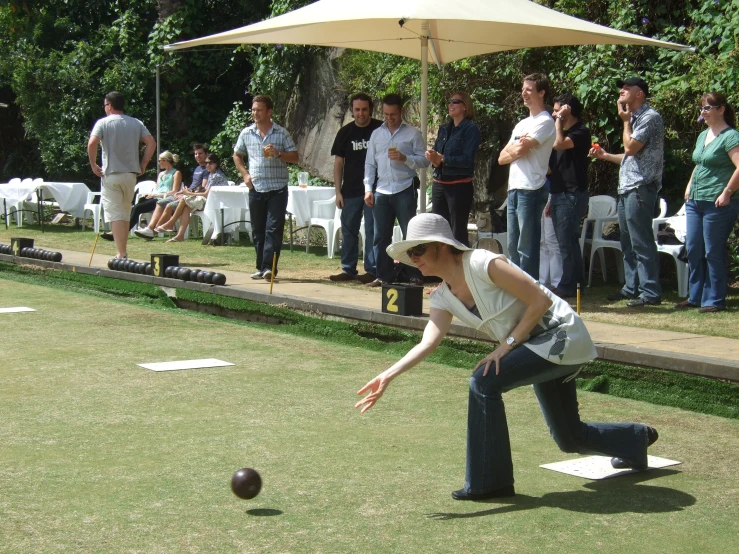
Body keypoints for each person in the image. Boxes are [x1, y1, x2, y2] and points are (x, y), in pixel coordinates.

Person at [356, 213, 659, 500]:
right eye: (410, 253)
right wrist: (387, 376)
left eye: (419, 248)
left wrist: (509, 343)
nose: (415, 258)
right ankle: (634, 439)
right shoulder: (442, 296)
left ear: (441, 246)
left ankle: (490, 483)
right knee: (569, 439)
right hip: (535, 347)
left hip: (561, 336)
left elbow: (539, 299)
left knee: (483, 382)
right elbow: (427, 343)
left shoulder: (483, 263)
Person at [590, 77, 664, 307]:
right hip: (628, 188)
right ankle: (632, 287)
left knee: (641, 241)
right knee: (628, 242)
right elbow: (630, 157)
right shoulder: (637, 119)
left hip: (640, 188)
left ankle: (650, 292)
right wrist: (605, 156)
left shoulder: (649, 117)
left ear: (639, 93)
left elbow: (630, 147)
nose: (621, 91)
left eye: (627, 88)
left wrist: (625, 122)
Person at [676, 92, 739, 313]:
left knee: (713, 251)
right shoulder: (703, 135)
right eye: (702, 108)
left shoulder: (731, 136)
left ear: (721, 109)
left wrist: (727, 192)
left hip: (718, 202)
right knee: (693, 248)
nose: (703, 112)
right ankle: (695, 296)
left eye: (707, 108)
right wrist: (689, 185)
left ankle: (714, 299)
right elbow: (700, 162)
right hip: (695, 200)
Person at [363, 93, 430, 287]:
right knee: (380, 235)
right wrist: (368, 188)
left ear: (401, 111)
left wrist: (405, 158)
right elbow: (369, 164)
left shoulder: (412, 134)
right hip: (382, 189)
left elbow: (424, 160)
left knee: (410, 234)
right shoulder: (376, 134)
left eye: (393, 114)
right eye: (386, 114)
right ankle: (383, 275)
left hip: (404, 187)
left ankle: (415, 274)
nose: (389, 118)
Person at [233, 95, 299, 281]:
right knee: (258, 230)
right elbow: (237, 155)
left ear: (269, 112)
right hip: (256, 188)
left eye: (259, 110)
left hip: (277, 188)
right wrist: (245, 175)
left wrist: (278, 154)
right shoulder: (247, 133)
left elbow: (295, 157)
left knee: (273, 229)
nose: (255, 113)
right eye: (253, 109)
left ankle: (269, 267)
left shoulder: (281, 132)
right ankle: (261, 267)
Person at [498, 73, 556, 280]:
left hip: (531, 189)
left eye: (529, 90)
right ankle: (517, 291)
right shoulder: (521, 125)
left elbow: (519, 151)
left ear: (542, 93)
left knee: (527, 247)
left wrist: (518, 148)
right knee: (513, 247)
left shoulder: (546, 121)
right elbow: (501, 158)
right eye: (523, 89)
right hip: (514, 189)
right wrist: (518, 146)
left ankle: (531, 292)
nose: (524, 93)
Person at [87, 91, 156, 259]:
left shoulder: (103, 123)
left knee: (115, 215)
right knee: (125, 213)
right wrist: (143, 164)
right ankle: (123, 251)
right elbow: (151, 142)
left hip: (112, 173)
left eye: (105, 105)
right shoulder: (136, 122)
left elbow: (92, 143)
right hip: (130, 175)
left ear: (109, 106)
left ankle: (121, 253)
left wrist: (93, 164)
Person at [329, 93, 382, 283]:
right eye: (357, 109)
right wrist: (337, 191)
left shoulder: (379, 129)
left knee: (372, 229)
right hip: (350, 190)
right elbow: (338, 164)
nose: (361, 113)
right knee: (349, 229)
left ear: (370, 109)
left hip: (374, 190)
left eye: (364, 109)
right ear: (352, 110)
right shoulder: (345, 133)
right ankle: (348, 269)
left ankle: (372, 269)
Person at [548, 93, 591, 298]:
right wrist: (551, 199)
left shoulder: (580, 132)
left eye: (557, 110)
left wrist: (559, 121)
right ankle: (574, 283)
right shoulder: (565, 133)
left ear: (568, 110)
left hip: (572, 194)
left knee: (567, 241)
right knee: (565, 241)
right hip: (559, 194)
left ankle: (569, 285)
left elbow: (559, 143)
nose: (554, 114)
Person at [425, 91, 481, 246]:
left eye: (455, 101)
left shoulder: (471, 129)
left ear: (465, 106)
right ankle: (441, 268)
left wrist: (442, 158)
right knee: (439, 230)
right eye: (449, 101)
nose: (451, 104)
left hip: (459, 187)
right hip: (439, 184)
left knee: (457, 232)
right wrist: (433, 158)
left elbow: (467, 160)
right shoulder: (444, 129)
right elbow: (438, 158)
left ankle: (459, 267)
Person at [134, 144, 209, 240]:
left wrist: (186, 193)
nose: (197, 156)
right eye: (196, 154)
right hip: (188, 195)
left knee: (165, 204)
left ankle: (153, 230)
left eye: (200, 153)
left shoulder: (207, 169)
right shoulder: (197, 168)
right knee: (160, 203)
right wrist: (183, 192)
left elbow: (202, 188)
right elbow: (193, 187)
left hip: (196, 197)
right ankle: (152, 229)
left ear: (206, 154)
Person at [155, 153, 228, 242]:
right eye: (206, 163)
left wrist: (189, 193)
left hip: (214, 204)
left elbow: (206, 195)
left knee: (183, 199)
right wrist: (191, 192)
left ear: (216, 163)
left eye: (210, 163)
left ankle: (171, 223)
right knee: (186, 207)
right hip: (209, 201)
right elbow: (207, 192)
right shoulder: (212, 174)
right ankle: (180, 235)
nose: (207, 165)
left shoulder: (216, 176)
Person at [129, 151, 183, 240]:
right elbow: (156, 189)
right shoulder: (161, 174)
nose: (158, 163)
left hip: (165, 198)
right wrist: (150, 194)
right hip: (155, 197)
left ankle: (133, 229)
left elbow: (174, 191)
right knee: (137, 206)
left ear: (165, 161)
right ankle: (130, 229)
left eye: (159, 161)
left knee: (138, 208)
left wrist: (157, 195)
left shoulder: (176, 173)